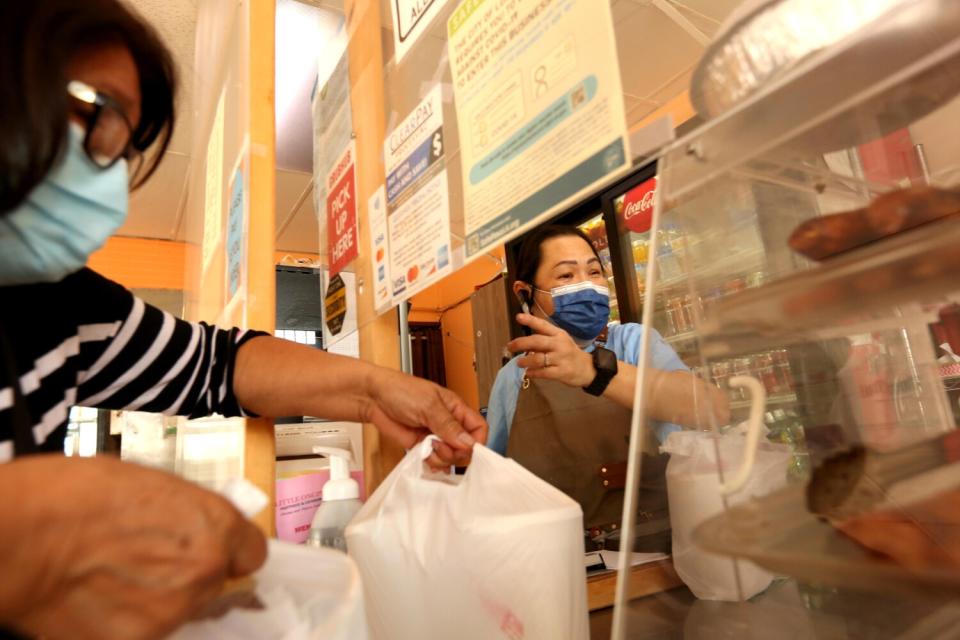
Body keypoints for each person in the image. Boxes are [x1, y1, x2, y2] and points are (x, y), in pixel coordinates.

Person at [0, 2, 486, 639]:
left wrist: (373, 392)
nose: (110, 176)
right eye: (100, 114)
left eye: (124, 151)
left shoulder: (58, 303)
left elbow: (217, 365)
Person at [485, 225, 728, 541]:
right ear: (525, 292)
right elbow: (494, 477)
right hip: (557, 552)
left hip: (651, 543)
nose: (587, 286)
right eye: (566, 276)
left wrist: (592, 370)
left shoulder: (632, 342)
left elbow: (710, 407)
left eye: (595, 271)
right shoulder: (515, 374)